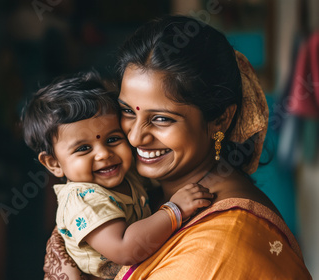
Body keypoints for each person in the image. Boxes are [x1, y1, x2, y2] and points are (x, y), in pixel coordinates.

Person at [43, 15, 312, 279]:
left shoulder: (222, 243)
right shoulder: (142, 195)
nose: (135, 137)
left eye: (161, 119)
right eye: (127, 111)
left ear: (220, 119)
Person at [21, 71, 213, 279]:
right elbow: (124, 248)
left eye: (112, 139)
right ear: (54, 163)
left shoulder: (126, 175)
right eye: (84, 148)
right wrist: (175, 210)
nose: (104, 154)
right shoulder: (82, 199)